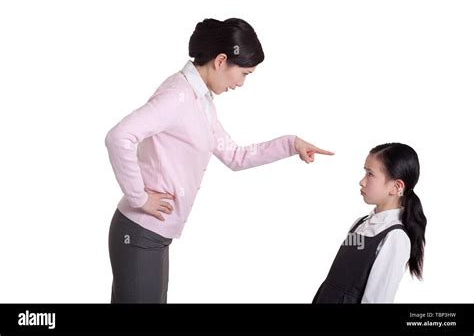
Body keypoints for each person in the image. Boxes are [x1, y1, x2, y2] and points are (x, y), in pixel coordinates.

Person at [105, 17, 335, 303]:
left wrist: (291, 144)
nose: (241, 84)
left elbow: (235, 156)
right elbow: (119, 137)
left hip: (153, 234)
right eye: (244, 73)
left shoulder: (201, 102)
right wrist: (139, 197)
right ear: (221, 60)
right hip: (140, 231)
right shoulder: (177, 96)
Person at [313, 143, 427, 303]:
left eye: (370, 174)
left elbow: (376, 299)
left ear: (396, 186)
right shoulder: (360, 224)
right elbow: (345, 273)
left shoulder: (395, 238)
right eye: (364, 172)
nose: (362, 181)